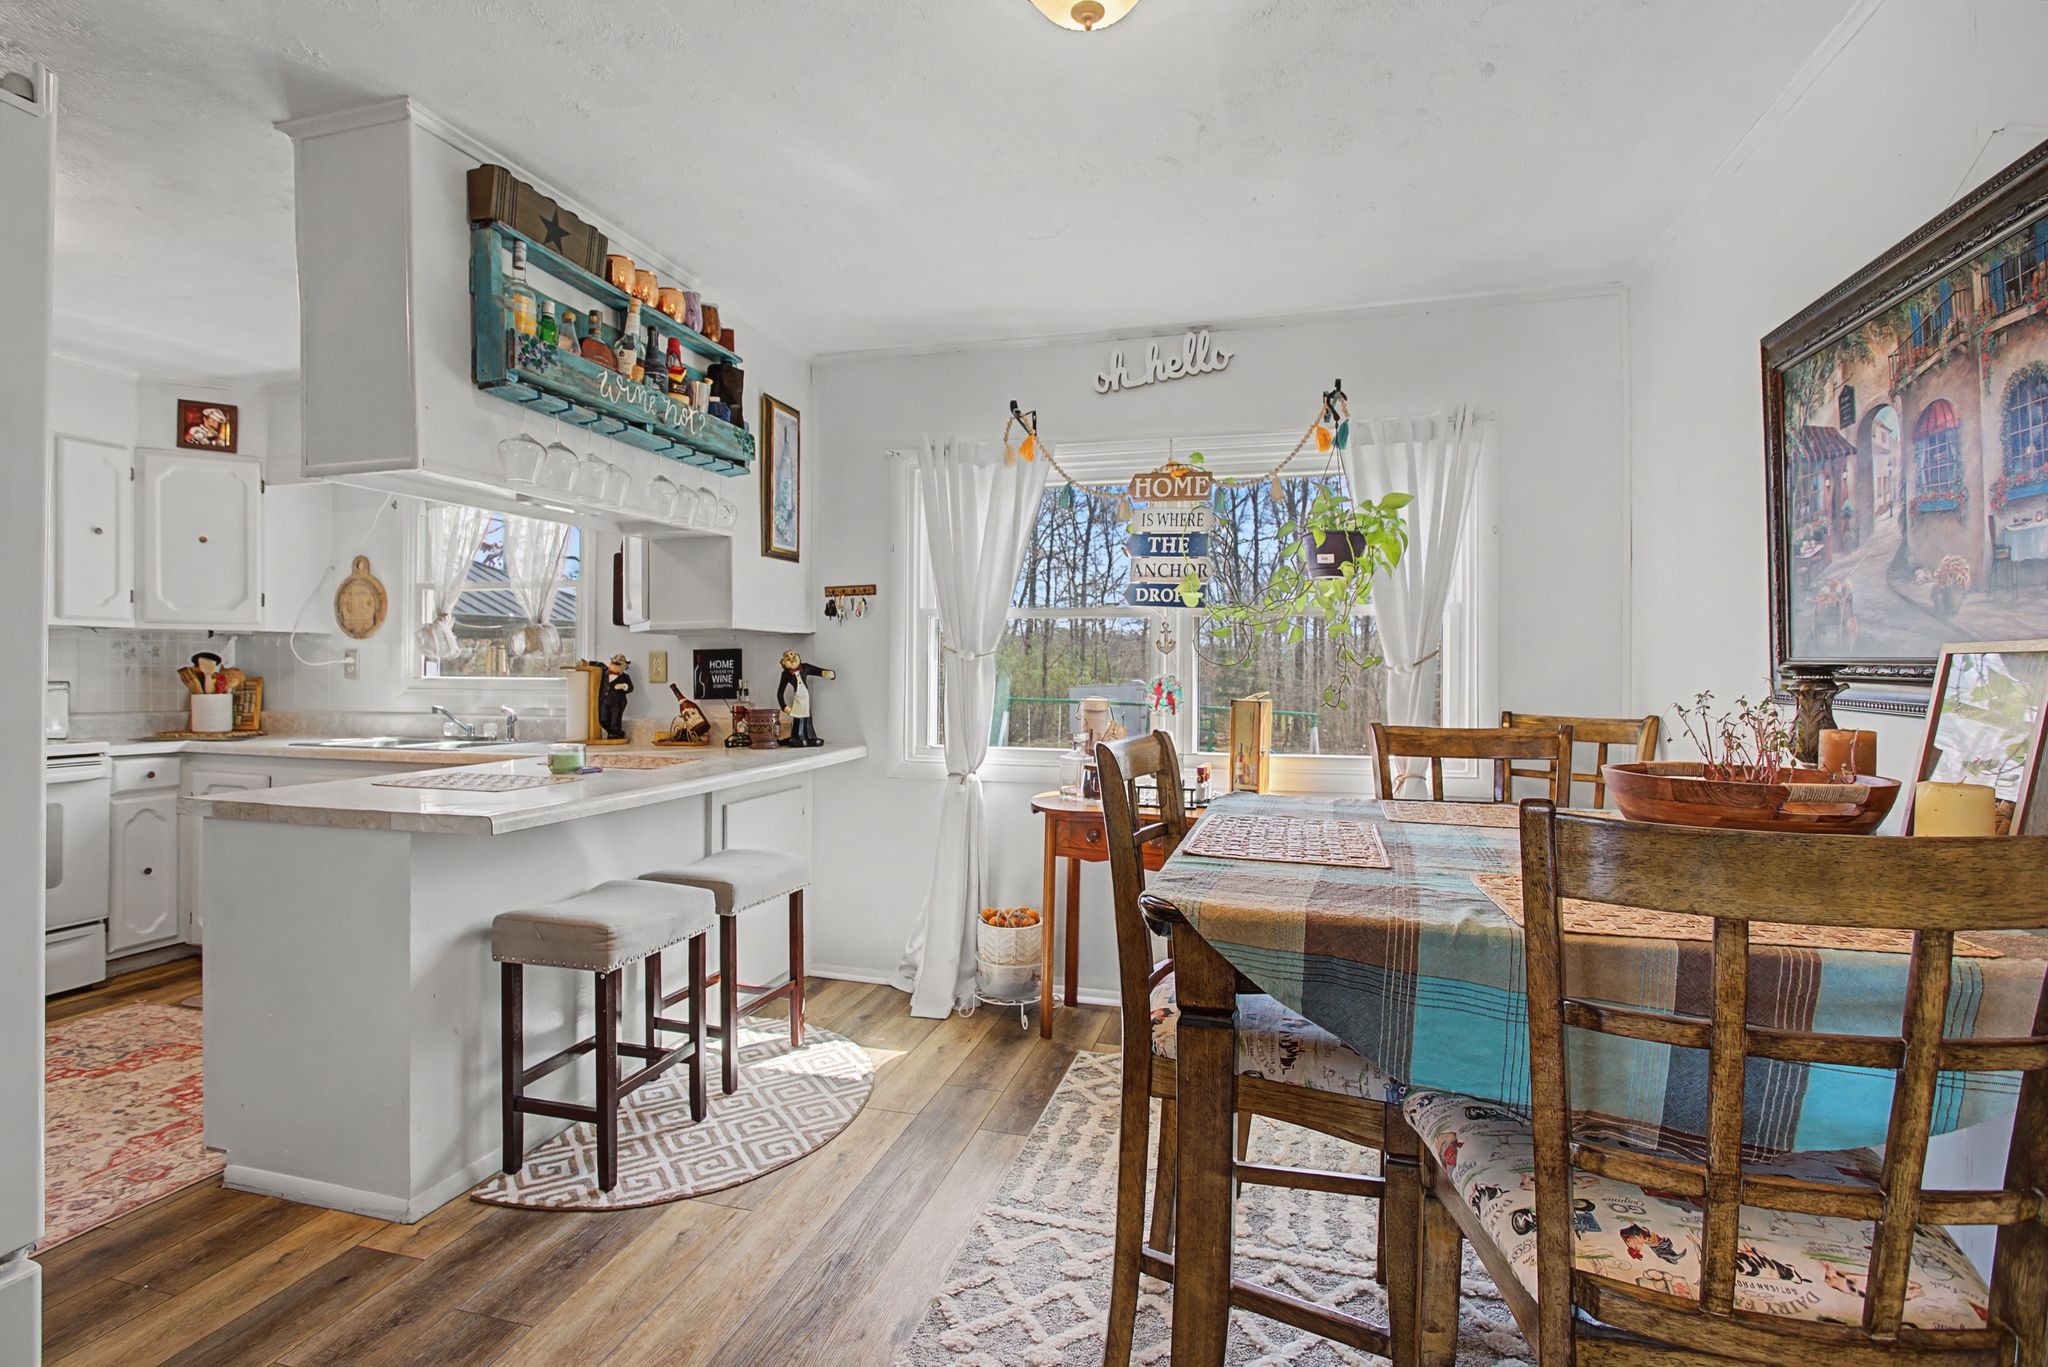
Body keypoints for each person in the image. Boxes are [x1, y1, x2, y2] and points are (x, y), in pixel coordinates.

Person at [776, 649, 835, 747]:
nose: (791, 657)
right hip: (798, 699)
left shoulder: (805, 667)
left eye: (792, 654)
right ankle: (798, 737)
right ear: (783, 662)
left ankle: (810, 736)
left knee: (807, 716)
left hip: (805, 699)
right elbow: (780, 693)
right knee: (799, 717)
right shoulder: (785, 674)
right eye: (787, 657)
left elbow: (817, 671)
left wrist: (826, 673)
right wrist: (784, 706)